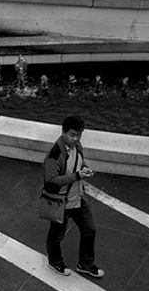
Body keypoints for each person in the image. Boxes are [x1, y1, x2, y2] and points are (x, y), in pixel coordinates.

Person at [43, 114, 104, 279]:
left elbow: (79, 162)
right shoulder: (55, 154)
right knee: (57, 236)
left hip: (77, 198)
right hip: (60, 202)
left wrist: (84, 168)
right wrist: (77, 176)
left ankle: (85, 264)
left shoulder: (77, 146)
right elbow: (51, 180)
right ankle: (55, 261)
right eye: (72, 135)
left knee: (89, 230)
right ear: (63, 132)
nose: (76, 139)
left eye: (79, 135)